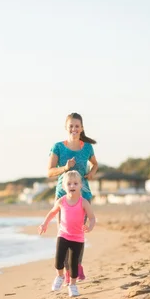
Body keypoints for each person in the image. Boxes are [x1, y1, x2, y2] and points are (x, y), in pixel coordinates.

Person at [47, 112, 98, 282]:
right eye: (71, 126)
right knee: (64, 233)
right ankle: (68, 271)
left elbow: (95, 164)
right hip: (63, 195)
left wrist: (92, 173)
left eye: (77, 126)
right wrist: (65, 168)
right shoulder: (58, 147)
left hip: (83, 194)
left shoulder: (87, 148)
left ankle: (76, 265)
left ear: (81, 128)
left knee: (78, 233)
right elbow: (49, 172)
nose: (74, 129)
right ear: (66, 128)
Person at [38, 171, 96, 297]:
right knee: (59, 261)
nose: (72, 186)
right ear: (64, 187)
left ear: (81, 186)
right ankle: (60, 276)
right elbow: (52, 213)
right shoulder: (61, 201)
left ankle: (73, 285)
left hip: (78, 238)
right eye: (69, 184)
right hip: (63, 235)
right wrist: (44, 224)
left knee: (73, 264)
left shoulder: (84, 202)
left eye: (75, 183)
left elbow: (92, 218)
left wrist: (89, 227)